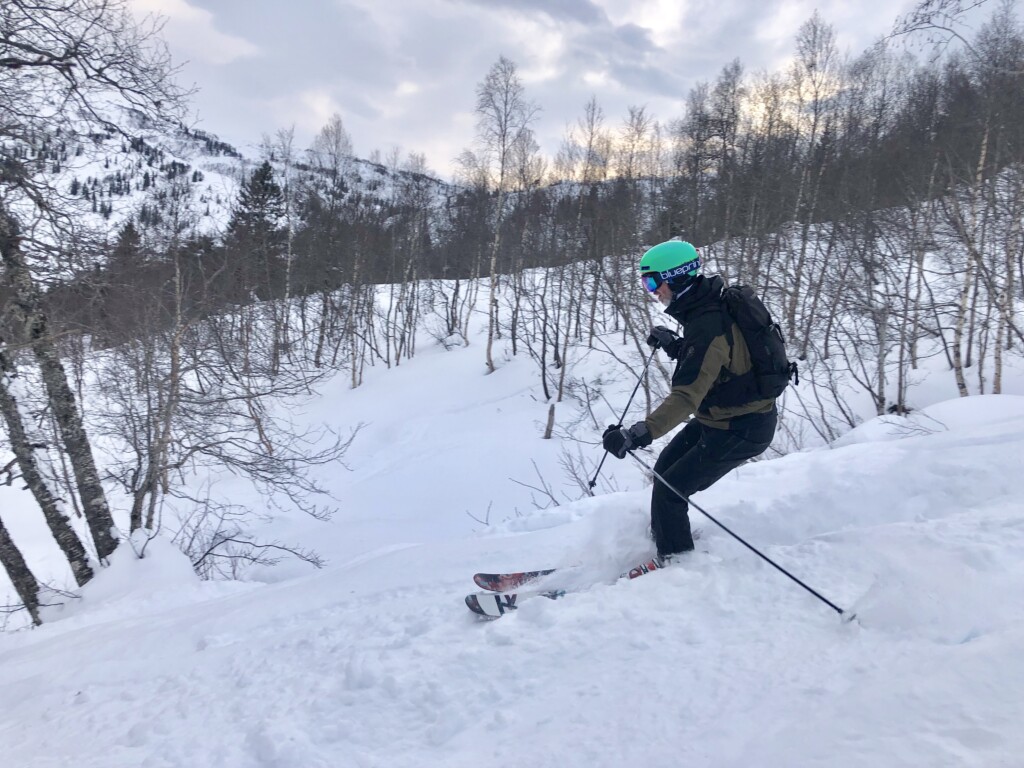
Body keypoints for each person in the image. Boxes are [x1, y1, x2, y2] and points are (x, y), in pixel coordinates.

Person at [602, 239, 779, 562]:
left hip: (741, 428)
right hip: (722, 418)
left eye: (654, 281)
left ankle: (677, 562)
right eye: (646, 282)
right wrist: (675, 346)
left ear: (679, 276)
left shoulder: (707, 322)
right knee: (664, 474)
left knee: (671, 490)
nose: (652, 290)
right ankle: (667, 542)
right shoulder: (706, 308)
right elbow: (721, 361)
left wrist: (638, 434)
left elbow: (686, 395)